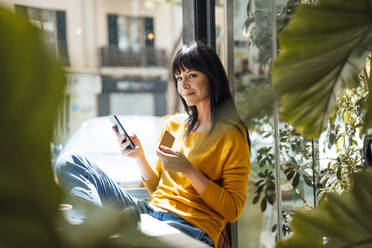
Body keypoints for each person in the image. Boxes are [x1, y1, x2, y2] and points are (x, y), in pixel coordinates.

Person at [54, 41, 251, 248]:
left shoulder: (231, 134)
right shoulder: (172, 126)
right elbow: (157, 187)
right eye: (179, 78)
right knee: (70, 161)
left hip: (189, 227)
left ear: (212, 77)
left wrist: (188, 170)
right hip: (148, 212)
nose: (183, 85)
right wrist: (139, 156)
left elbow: (232, 210)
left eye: (192, 75)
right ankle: (91, 232)